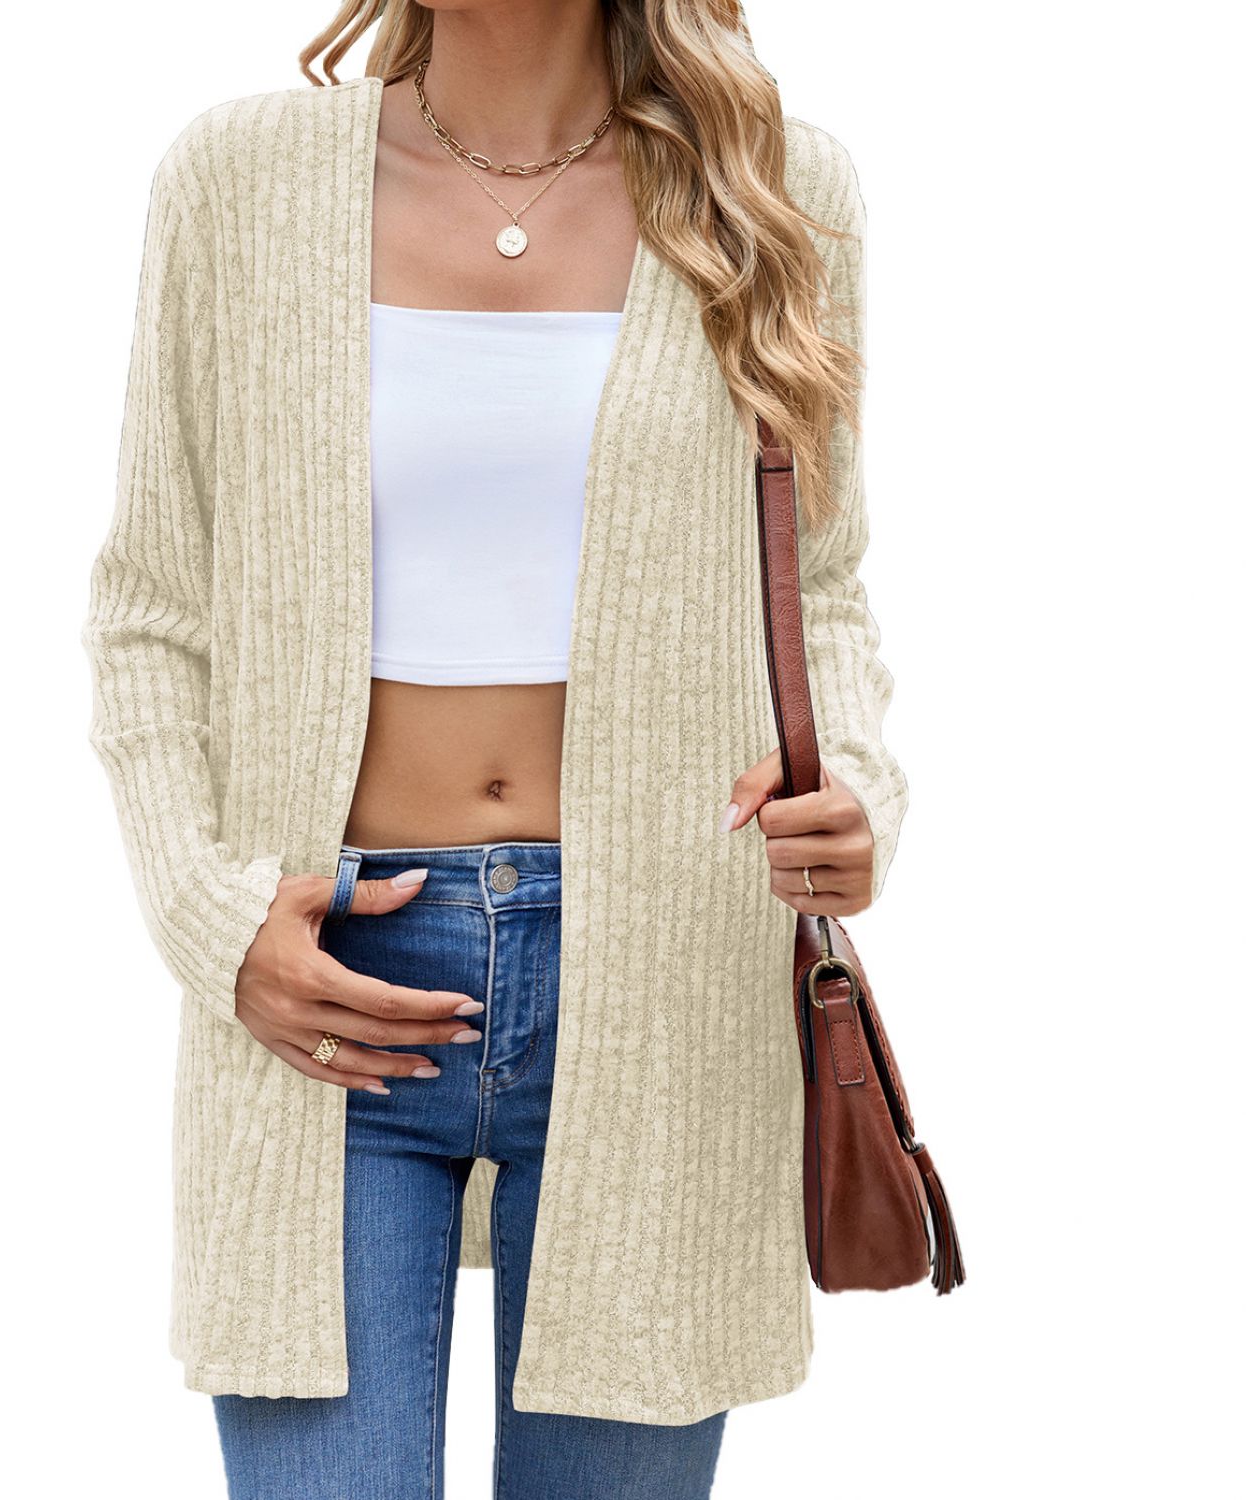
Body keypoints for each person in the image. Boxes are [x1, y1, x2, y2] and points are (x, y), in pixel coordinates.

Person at [82, 3, 908, 1496]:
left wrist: (853, 787)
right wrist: (210, 919)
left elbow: (823, 583)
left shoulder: (773, 187)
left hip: (662, 977)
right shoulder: (237, 180)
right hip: (328, 981)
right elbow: (152, 609)